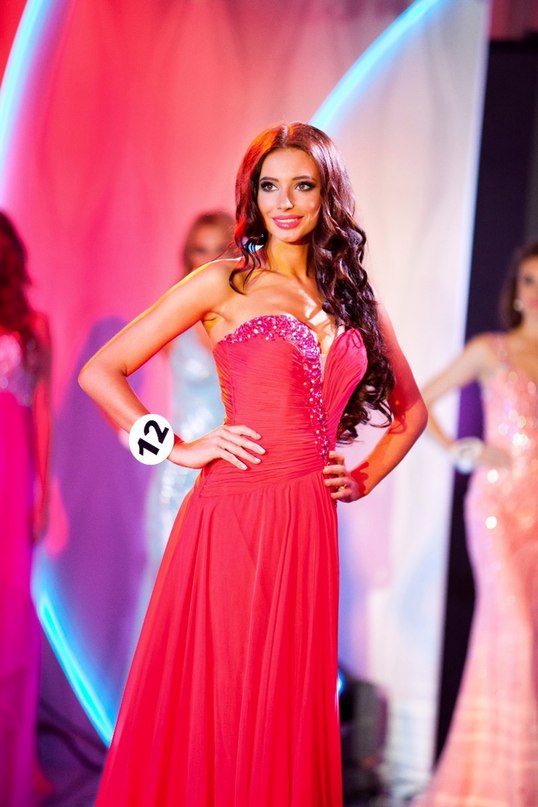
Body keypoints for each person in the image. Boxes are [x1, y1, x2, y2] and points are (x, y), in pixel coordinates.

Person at [79, 122, 427, 806]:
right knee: (226, 696)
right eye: (270, 186)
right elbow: (101, 371)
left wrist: (363, 478)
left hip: (309, 523)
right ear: (253, 195)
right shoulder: (224, 282)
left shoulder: (353, 299)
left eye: (303, 185)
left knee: (286, 705)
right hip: (231, 516)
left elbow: (410, 413)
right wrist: (176, 445)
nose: (285, 202)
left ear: (328, 194)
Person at [414, 241, 538, 805]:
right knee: (512, 633)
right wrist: (460, 450)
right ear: (516, 289)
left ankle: (496, 782)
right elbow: (418, 400)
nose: (536, 292)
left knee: (517, 641)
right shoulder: (491, 350)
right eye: (529, 280)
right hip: (496, 511)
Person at [137, 211, 233, 637]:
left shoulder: (253, 319)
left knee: (222, 603)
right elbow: (103, 373)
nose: (208, 259)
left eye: (219, 249)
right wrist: (143, 438)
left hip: (232, 474)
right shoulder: (172, 320)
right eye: (199, 249)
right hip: (177, 480)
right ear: (187, 256)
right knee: (170, 603)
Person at [0, 212, 51, 806]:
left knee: (11, 616)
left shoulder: (33, 326)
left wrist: (44, 495)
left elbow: (43, 410)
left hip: (12, 476)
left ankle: (13, 766)